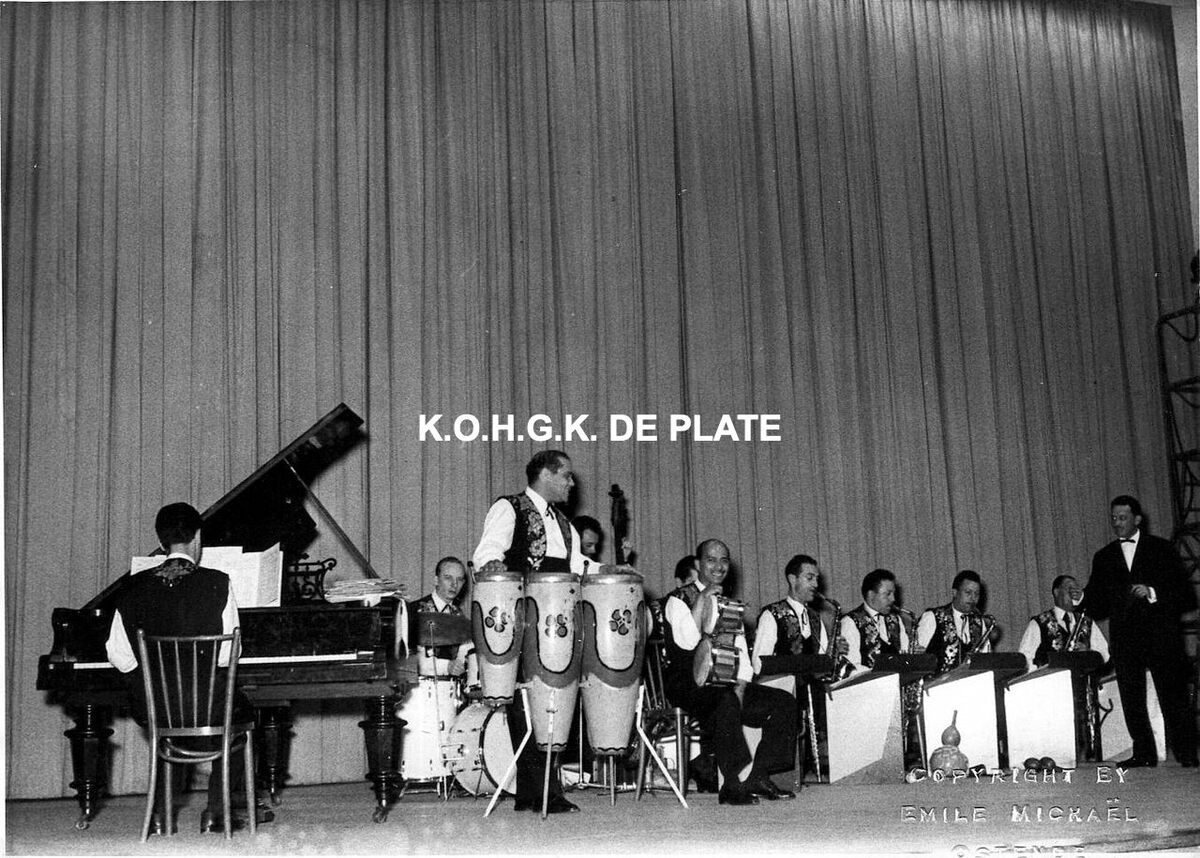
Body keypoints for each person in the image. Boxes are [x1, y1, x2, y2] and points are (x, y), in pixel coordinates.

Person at [472, 450, 628, 813]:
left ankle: (536, 792)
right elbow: (487, 550)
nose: (572, 484)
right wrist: (492, 563)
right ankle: (540, 790)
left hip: (558, 621)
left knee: (552, 701)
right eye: (566, 476)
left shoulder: (564, 524)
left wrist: (610, 569)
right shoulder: (509, 508)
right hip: (523, 617)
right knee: (526, 704)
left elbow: (579, 565)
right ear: (545, 474)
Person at [105, 502, 271, 834]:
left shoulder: (132, 587)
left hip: (157, 709)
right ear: (197, 538)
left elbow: (119, 656)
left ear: (161, 541)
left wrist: (158, 684)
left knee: (171, 721)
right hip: (207, 708)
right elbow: (227, 655)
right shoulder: (218, 582)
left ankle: (160, 816)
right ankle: (215, 814)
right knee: (242, 716)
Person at [662, 539, 797, 805]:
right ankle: (731, 784)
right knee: (725, 700)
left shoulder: (729, 604)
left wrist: (742, 685)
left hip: (724, 683)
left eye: (724, 560)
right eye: (711, 560)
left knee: (783, 702)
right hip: (686, 684)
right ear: (698, 564)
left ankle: (759, 775)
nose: (719, 566)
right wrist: (703, 597)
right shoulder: (677, 600)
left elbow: (741, 653)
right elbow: (687, 643)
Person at [1078, 495, 1197, 767]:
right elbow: (1098, 605)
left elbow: (1186, 596)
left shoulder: (1162, 549)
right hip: (1126, 640)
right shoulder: (1104, 557)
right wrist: (1080, 598)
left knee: (1173, 695)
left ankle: (1187, 753)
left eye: (1123, 518)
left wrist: (1153, 592)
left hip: (1161, 637)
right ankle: (1143, 754)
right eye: (1114, 518)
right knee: (1132, 699)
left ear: (1138, 519)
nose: (1117, 523)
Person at [1017, 575, 1109, 672]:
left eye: (1076, 590)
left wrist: (1088, 654)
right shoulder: (1039, 623)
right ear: (1056, 592)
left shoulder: (1087, 622)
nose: (1074, 594)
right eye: (1069, 589)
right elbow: (1025, 659)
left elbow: (1104, 655)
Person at [405, 557, 475, 679]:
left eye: (459, 579)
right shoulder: (413, 611)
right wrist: (446, 666)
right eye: (448, 578)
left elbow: (466, 651)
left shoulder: (459, 616)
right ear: (436, 580)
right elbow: (410, 661)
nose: (454, 584)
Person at [916, 570, 995, 674]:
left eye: (976, 594)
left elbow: (986, 660)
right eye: (968, 592)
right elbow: (916, 659)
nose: (973, 598)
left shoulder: (980, 623)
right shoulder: (932, 617)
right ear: (954, 592)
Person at [840, 568, 915, 671]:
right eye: (887, 594)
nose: (893, 599)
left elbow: (905, 655)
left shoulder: (896, 619)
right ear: (871, 595)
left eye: (893, 594)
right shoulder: (850, 622)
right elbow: (851, 667)